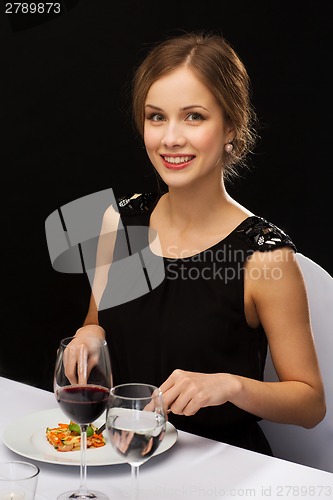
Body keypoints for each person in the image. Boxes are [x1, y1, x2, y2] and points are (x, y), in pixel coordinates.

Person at [63, 30, 326, 455]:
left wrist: (230, 385)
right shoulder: (118, 223)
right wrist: (89, 333)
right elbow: (99, 320)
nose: (170, 138)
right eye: (156, 117)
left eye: (194, 117)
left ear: (231, 128)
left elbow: (311, 403)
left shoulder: (264, 255)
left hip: (219, 465)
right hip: (124, 454)